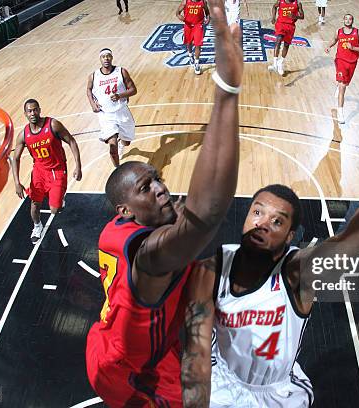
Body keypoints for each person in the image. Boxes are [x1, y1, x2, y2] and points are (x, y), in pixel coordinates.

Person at [181, 103, 359, 408]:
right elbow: (197, 353)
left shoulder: (296, 274)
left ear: (290, 239)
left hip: (278, 394)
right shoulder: (212, 270)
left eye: (277, 221)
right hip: (224, 383)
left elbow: (352, 239)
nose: (262, 223)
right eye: (257, 212)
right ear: (246, 218)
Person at [85, 0, 243, 406]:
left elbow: (191, 208)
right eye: (146, 187)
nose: (160, 188)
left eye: (158, 178)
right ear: (126, 210)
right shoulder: (150, 257)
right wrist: (226, 90)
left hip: (107, 341)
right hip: (129, 372)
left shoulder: (119, 229)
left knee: (202, 270)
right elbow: (205, 213)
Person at [12, 99, 82, 243]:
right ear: (25, 114)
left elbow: (71, 141)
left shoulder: (53, 125)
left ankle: (59, 199)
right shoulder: (24, 135)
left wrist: (78, 166)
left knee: (55, 210)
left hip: (57, 170)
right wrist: (17, 182)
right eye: (29, 111)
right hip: (39, 172)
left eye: (35, 109)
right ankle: (37, 226)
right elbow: (16, 159)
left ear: (39, 110)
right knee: (34, 204)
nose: (33, 113)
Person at [87, 49, 137, 167]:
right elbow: (88, 89)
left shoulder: (121, 71)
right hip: (105, 115)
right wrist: (92, 103)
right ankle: (117, 170)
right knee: (112, 146)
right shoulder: (94, 76)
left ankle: (122, 143)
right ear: (100, 59)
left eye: (108, 56)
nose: (106, 58)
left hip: (122, 111)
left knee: (127, 142)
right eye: (103, 56)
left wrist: (120, 95)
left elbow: (133, 90)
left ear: (112, 57)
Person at [325, 13, 359, 124]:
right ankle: (341, 113)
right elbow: (334, 40)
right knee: (343, 87)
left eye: (350, 19)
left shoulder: (358, 32)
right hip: (340, 60)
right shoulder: (338, 31)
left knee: (345, 83)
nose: (348, 20)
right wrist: (329, 46)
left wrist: (353, 47)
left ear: (352, 21)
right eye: (346, 19)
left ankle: (338, 85)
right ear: (343, 20)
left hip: (352, 62)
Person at [269, 0, 304, 76]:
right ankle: (275, 64)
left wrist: (296, 16)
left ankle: (280, 63)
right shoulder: (280, 1)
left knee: (286, 45)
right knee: (278, 41)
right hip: (280, 24)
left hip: (290, 26)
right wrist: (273, 17)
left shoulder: (297, 3)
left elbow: (302, 16)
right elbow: (274, 7)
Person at [177, 0, 210, 75]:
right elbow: (177, 13)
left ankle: (197, 63)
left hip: (198, 25)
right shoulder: (185, 2)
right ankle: (190, 54)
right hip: (188, 25)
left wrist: (208, 18)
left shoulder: (203, 2)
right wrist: (181, 17)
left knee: (198, 44)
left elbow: (207, 11)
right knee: (189, 43)